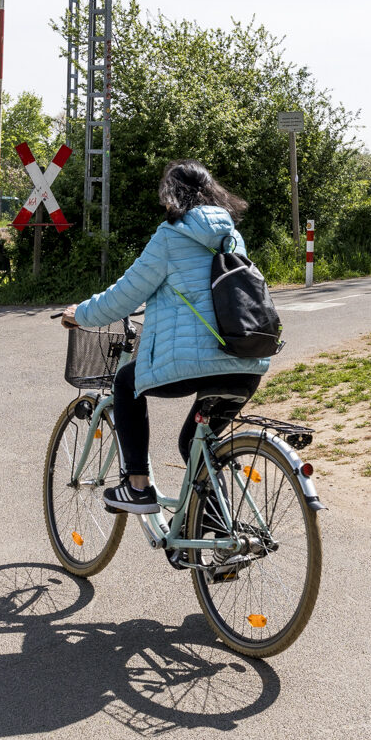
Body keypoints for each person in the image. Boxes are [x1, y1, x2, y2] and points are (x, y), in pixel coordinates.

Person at [61, 160, 270, 514]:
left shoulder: (171, 236)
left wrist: (80, 315)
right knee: (195, 444)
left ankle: (137, 487)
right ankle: (220, 543)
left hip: (195, 362)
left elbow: (125, 294)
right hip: (248, 359)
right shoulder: (231, 234)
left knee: (126, 381)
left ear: (171, 195)